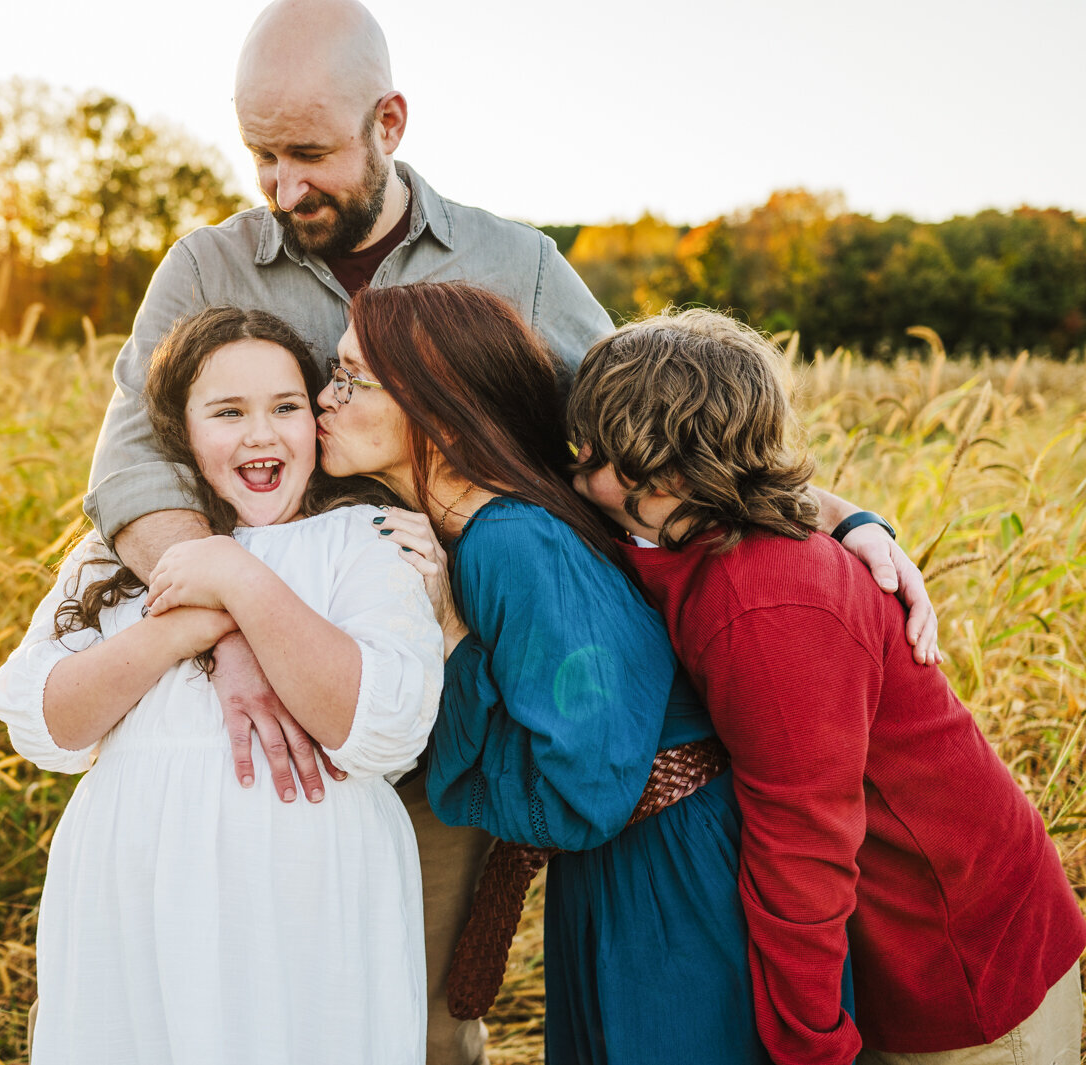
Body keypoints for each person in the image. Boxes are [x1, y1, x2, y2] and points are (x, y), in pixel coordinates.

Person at [85, 3, 936, 1059]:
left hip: (455, 711)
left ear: (389, 121)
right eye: (260, 154)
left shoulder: (515, 265)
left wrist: (833, 514)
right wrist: (233, 637)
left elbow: (648, 428)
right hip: (248, 722)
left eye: (308, 153)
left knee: (420, 1020)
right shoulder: (204, 270)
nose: (281, 187)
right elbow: (132, 465)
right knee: (257, 1006)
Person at [565, 308, 1086, 1065]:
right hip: (880, 953)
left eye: (595, 448)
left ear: (670, 467)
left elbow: (803, 843)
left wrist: (810, 1045)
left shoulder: (765, 599)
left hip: (956, 966)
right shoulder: (677, 539)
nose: (576, 464)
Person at [314, 280, 772, 1064]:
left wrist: (455, 633)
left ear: (437, 405)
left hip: (670, 873)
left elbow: (583, 787)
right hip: (622, 865)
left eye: (353, 378)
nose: (324, 397)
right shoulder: (473, 534)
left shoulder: (513, 543)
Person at [0, 307, 442, 1064]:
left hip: (306, 895)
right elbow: (50, 727)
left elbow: (377, 721)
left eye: (285, 407)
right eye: (228, 412)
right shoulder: (118, 556)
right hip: (136, 887)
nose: (260, 434)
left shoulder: (363, 539)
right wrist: (184, 627)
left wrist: (237, 579)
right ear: (182, 431)